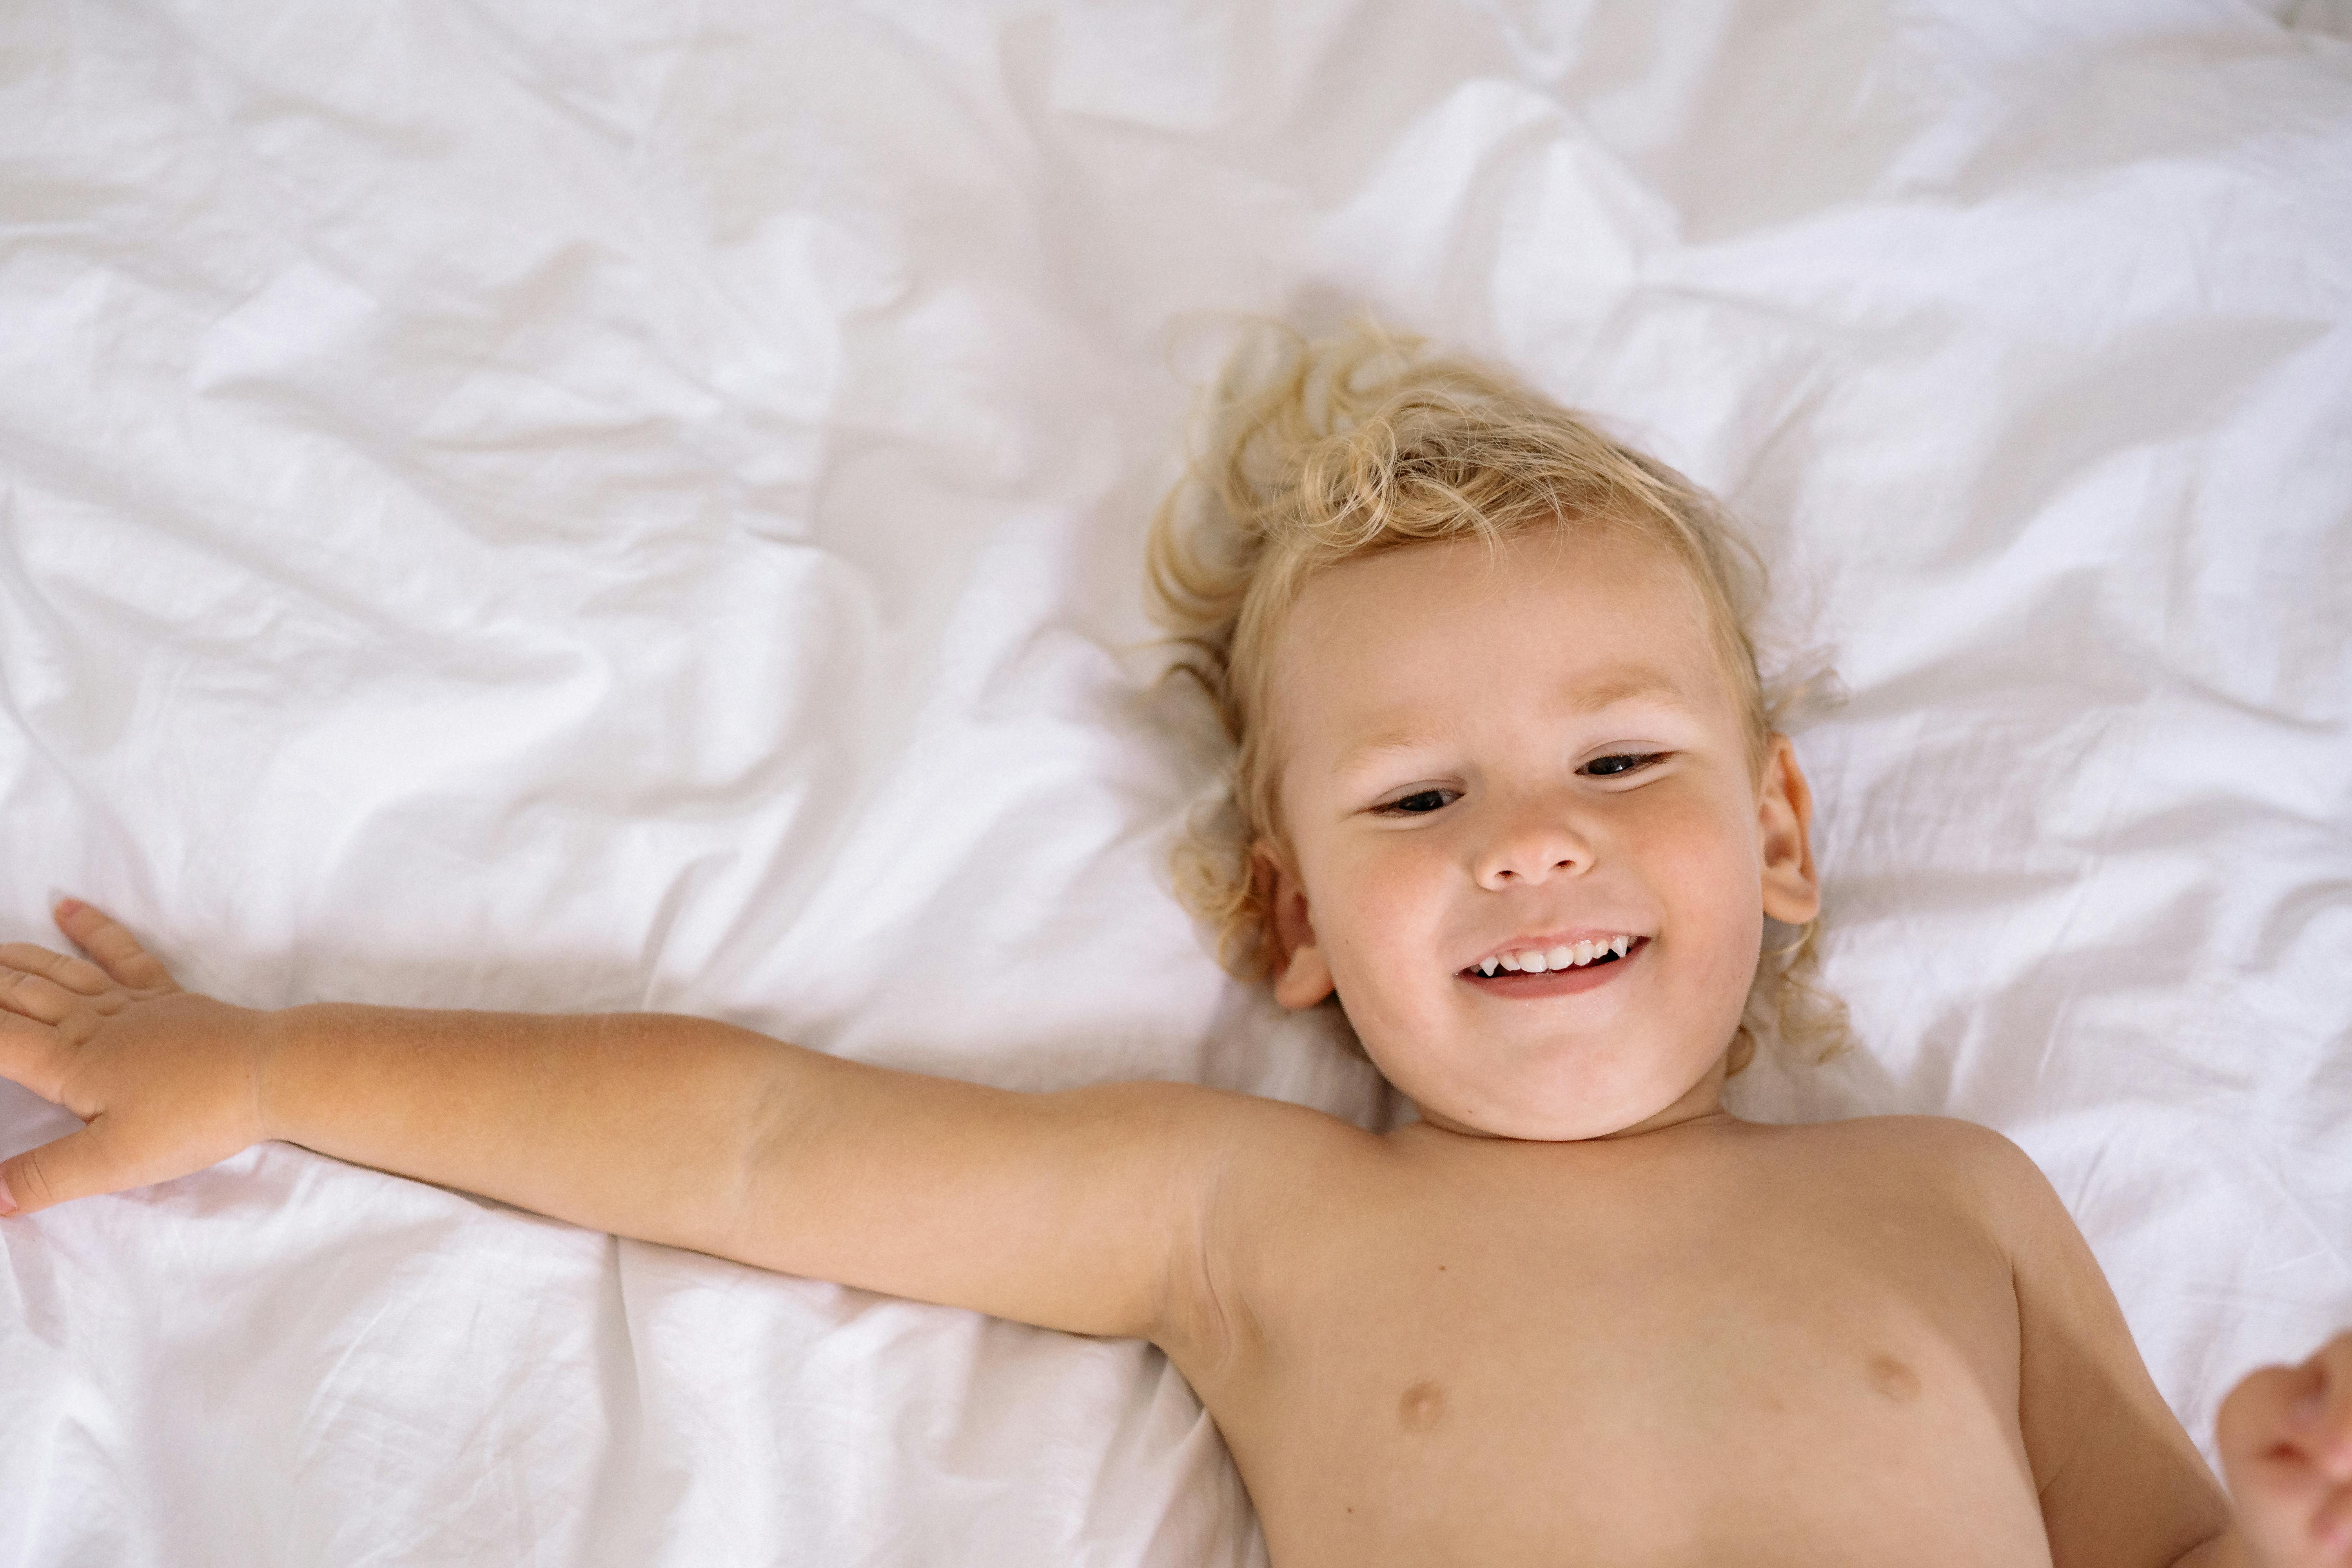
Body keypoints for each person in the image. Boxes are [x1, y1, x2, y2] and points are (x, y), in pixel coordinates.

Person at [0, 324, 2344, 1566]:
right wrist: (284, 1058)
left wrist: (2281, 1530)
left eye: (1623, 765)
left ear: (1785, 833)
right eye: (1424, 801)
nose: (1534, 844)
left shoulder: (1950, 1205)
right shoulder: (1261, 1219)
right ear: (1285, 920)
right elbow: (756, 1138)